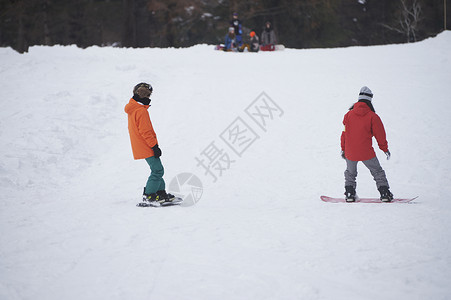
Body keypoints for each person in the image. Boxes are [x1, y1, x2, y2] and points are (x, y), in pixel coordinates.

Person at [124, 82, 175, 206]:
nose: (149, 98)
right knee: (158, 170)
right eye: (148, 96)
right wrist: (154, 146)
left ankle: (160, 192)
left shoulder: (133, 109)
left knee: (157, 169)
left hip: (141, 145)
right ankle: (149, 195)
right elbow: (145, 131)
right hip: (146, 145)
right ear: (143, 96)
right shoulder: (141, 111)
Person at [340, 86, 393, 202]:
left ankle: (349, 194)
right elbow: (380, 135)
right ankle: (384, 193)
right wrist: (384, 149)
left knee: (350, 173)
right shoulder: (373, 116)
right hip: (366, 152)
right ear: (369, 100)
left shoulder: (348, 115)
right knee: (377, 172)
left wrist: (343, 149)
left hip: (351, 152)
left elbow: (344, 134)